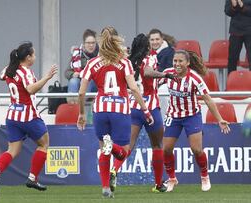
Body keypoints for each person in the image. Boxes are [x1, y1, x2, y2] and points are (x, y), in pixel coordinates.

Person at [77, 26, 154, 198]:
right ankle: (114, 160)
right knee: (124, 149)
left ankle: (105, 188)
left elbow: (81, 92)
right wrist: (145, 110)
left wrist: (81, 114)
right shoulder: (124, 62)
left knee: (104, 149)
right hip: (120, 109)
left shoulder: (92, 63)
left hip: (100, 109)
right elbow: (134, 89)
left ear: (100, 43)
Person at [109, 33, 177, 193]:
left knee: (128, 146)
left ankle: (115, 169)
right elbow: (147, 72)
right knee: (157, 146)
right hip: (151, 108)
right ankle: (159, 184)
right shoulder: (150, 58)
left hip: (134, 107)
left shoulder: (128, 62)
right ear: (147, 46)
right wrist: (164, 75)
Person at [0, 42, 58, 194]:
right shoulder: (25, 72)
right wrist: (47, 77)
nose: (34, 57)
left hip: (13, 115)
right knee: (44, 144)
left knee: (12, 150)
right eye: (33, 55)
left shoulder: (9, 69)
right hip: (28, 115)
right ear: (27, 57)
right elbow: (31, 89)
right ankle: (32, 178)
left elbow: (2, 76)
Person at [160, 50, 231, 192]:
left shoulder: (195, 78)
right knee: (166, 149)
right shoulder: (168, 73)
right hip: (173, 116)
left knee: (196, 149)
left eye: (180, 61)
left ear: (187, 63)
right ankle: (172, 178)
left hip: (192, 116)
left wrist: (220, 119)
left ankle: (205, 176)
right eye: (175, 61)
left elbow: (208, 99)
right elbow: (152, 78)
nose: (177, 64)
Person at [65, 29, 98, 93]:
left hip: (95, 83)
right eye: (88, 43)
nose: (91, 45)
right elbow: (67, 72)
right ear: (84, 43)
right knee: (73, 81)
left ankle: (83, 101)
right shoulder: (77, 54)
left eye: (93, 43)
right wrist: (73, 74)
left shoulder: (100, 54)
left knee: (88, 80)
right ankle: (73, 102)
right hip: (79, 81)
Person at [225, 0, 251, 73]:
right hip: (235, 31)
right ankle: (230, 82)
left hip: (249, 31)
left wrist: (242, 6)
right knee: (232, 59)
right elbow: (227, 11)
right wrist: (234, 6)